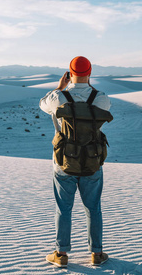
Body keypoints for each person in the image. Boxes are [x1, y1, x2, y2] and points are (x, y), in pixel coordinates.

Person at [39, 56, 111, 268]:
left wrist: (58, 88)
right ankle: (97, 254)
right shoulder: (101, 98)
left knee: (63, 208)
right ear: (90, 73)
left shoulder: (58, 97)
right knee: (93, 208)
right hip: (92, 161)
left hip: (63, 163)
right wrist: (89, 87)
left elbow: (42, 105)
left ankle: (61, 254)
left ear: (70, 73)